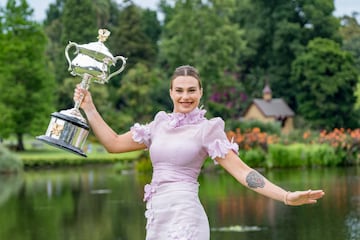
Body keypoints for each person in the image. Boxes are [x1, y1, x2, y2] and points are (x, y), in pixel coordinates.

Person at [74, 65, 325, 240]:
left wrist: (286, 196)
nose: (185, 96)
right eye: (180, 90)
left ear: (200, 92)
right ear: (171, 92)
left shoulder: (208, 130)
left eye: (191, 90)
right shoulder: (158, 125)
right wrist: (90, 108)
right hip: (158, 216)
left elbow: (243, 173)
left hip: (186, 216)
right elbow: (115, 144)